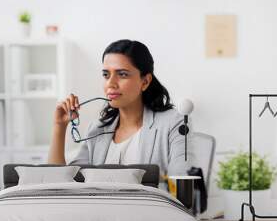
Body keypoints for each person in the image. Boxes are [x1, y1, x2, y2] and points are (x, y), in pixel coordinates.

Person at [48, 39, 191, 177]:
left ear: (145, 81)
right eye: (106, 74)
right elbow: (65, 183)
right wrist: (59, 127)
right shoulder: (96, 129)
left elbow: (182, 186)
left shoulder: (174, 124)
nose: (111, 83)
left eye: (122, 74)